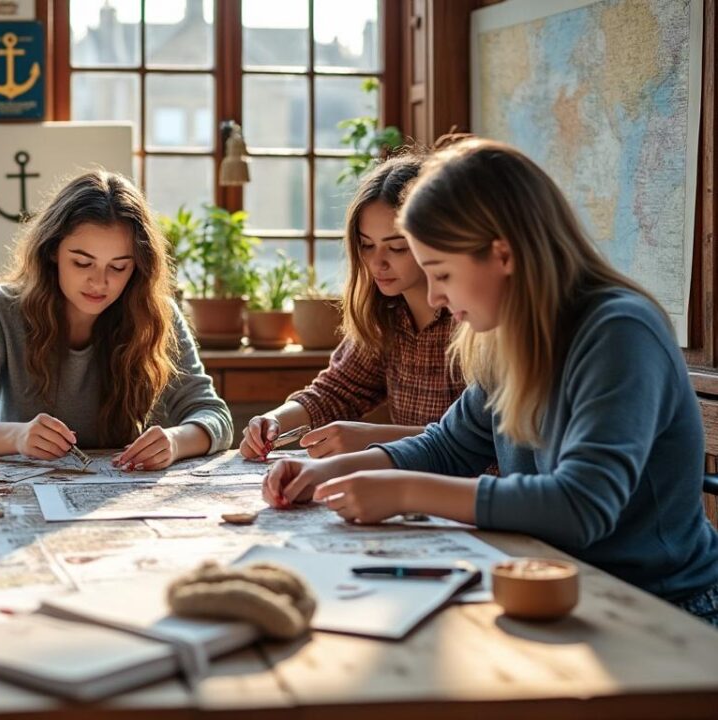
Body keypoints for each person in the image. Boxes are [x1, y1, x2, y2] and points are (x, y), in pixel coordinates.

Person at [263, 137, 718, 626]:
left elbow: (581, 505)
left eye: (440, 272)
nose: (435, 297)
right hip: (558, 581)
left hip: (661, 607)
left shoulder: (618, 331)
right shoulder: (508, 333)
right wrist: (333, 471)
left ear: (502, 254)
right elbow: (449, 445)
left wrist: (402, 492)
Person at [0, 170, 232, 470]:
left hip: (120, 498)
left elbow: (213, 415)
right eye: (82, 262)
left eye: (118, 267)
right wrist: (16, 436)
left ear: (137, 267)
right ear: (53, 251)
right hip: (19, 496)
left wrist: (176, 441)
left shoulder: (156, 316)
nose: (99, 282)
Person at [241, 152, 464, 461]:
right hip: (410, 491)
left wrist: (372, 437)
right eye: (366, 245)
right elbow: (336, 392)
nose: (376, 262)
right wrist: (275, 421)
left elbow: (478, 438)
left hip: (475, 495)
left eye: (396, 247)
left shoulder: (473, 318)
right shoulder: (385, 315)